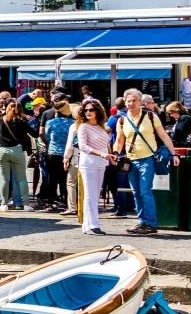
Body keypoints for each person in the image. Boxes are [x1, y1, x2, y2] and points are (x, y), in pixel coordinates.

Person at [114, 89, 179, 235]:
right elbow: (119, 140)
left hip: (147, 158)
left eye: (134, 100)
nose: (131, 104)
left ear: (140, 102)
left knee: (145, 191)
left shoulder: (150, 116)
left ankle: (151, 222)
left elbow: (163, 135)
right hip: (130, 160)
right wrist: (116, 153)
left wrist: (174, 154)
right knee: (136, 192)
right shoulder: (122, 120)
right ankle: (142, 222)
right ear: (125, 102)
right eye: (128, 101)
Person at [65, 98, 116, 235]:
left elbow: (106, 145)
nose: (88, 112)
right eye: (85, 110)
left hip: (101, 163)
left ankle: (88, 225)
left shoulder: (101, 127)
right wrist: (102, 154)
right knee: (89, 194)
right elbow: (83, 147)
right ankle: (92, 225)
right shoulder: (82, 126)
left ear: (97, 111)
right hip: (88, 163)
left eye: (91, 110)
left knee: (95, 194)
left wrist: (110, 156)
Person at [0, 99, 34, 211]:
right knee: (22, 179)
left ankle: (4, 204)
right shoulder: (22, 122)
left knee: (4, 178)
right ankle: (26, 204)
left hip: (2, 150)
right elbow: (34, 134)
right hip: (17, 150)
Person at [42, 99, 75, 212]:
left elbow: (46, 136)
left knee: (52, 178)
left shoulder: (50, 122)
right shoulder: (71, 123)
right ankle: (65, 201)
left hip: (52, 152)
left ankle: (50, 202)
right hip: (66, 153)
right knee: (65, 178)